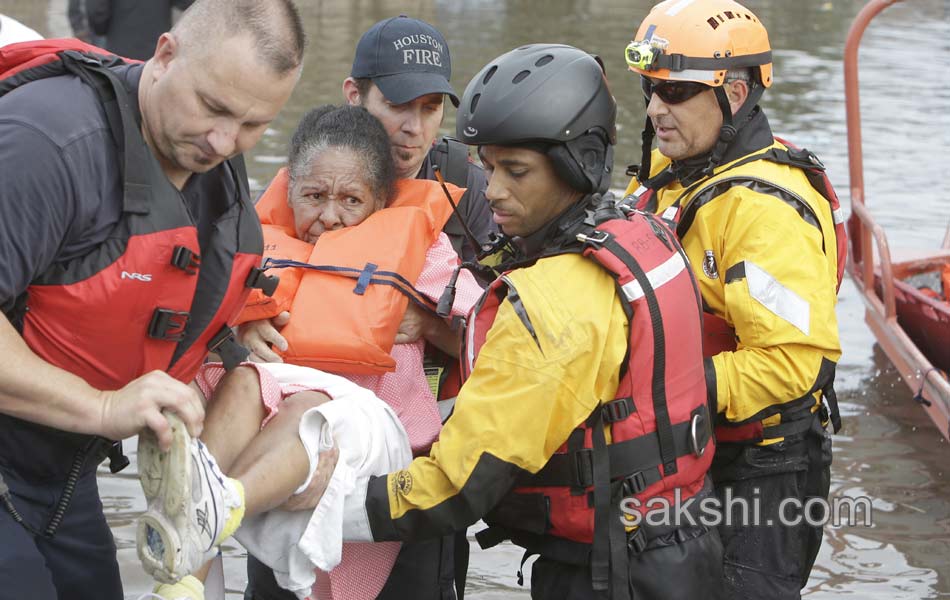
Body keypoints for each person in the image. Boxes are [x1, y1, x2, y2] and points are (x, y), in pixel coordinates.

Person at [312, 43, 725, 600]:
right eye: (487, 167)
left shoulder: (553, 301)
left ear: (578, 163)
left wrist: (314, 508)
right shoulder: (639, 228)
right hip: (683, 546)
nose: (494, 190)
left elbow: (456, 485)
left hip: (609, 574)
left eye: (517, 171)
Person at [0, 1, 304, 598]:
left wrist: (232, 324)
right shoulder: (45, 144)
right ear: (164, 55)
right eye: (212, 107)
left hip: (59, 471)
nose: (225, 140)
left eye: (253, 125)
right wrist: (104, 407)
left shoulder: (210, 166)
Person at [138, 104, 482, 600]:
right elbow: (186, 328)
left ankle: (215, 501)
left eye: (350, 199)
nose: (329, 217)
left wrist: (427, 321)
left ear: (380, 201)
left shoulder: (421, 252)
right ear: (291, 191)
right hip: (276, 463)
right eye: (314, 196)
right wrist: (236, 327)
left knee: (307, 405)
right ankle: (190, 555)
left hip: (380, 452)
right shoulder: (254, 253)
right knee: (243, 378)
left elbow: (488, 338)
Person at [246, 15, 496, 600]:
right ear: (354, 96)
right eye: (399, 104)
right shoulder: (304, 184)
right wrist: (247, 318)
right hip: (300, 455)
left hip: (420, 466)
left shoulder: (474, 195)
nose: (414, 129)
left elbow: (510, 331)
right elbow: (217, 294)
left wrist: (429, 324)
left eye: (432, 108)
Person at [622, 1, 843, 598]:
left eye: (675, 93)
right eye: (650, 89)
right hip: (689, 450)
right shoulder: (671, 169)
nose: (654, 109)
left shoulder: (765, 214)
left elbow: (793, 362)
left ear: (736, 94)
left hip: (762, 473)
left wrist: (659, 392)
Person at [88, 0, 195, 60]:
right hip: (157, 49)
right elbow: (186, 3)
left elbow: (97, 12)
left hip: (120, 49)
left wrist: (101, 30)